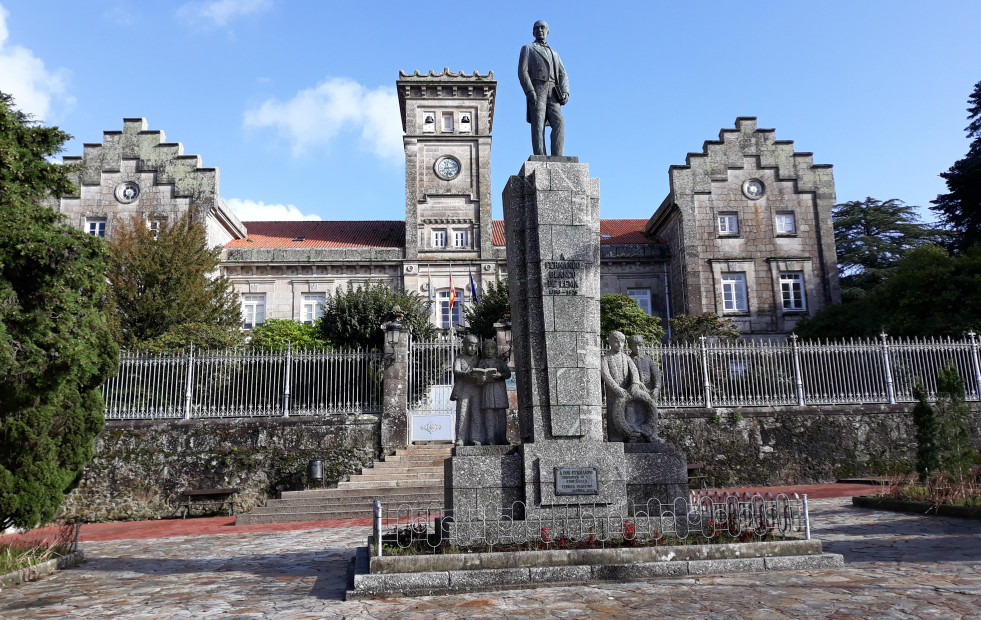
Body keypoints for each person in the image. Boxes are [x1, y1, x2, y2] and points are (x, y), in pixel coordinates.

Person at [518, 20, 570, 157]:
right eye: (537, 28)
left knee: (559, 123)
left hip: (553, 91)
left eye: (543, 28)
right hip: (537, 89)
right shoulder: (528, 48)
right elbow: (522, 72)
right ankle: (540, 155)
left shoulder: (555, 53)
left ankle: (557, 156)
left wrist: (565, 91)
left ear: (548, 31)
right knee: (538, 125)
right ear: (533, 32)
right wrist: (530, 91)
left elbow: (563, 74)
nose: (540, 30)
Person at [601, 331, 658, 443]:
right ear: (610, 342)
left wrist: (635, 383)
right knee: (613, 416)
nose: (619, 345)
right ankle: (615, 439)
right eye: (616, 342)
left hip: (627, 390)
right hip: (613, 393)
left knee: (626, 414)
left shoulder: (626, 357)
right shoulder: (605, 358)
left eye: (621, 342)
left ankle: (630, 436)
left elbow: (634, 371)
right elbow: (606, 375)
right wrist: (616, 388)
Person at [474, 339, 512, 445]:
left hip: (499, 389)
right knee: (488, 415)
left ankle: (502, 438)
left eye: (491, 348)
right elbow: (477, 377)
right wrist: (481, 377)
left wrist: (500, 375)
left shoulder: (500, 362)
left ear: (495, 350)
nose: (489, 351)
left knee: (501, 415)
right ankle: (490, 438)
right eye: (486, 349)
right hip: (487, 389)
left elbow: (508, 373)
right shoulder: (482, 362)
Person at [451, 335, 482, 445]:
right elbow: (456, 370)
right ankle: (460, 438)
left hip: (476, 389)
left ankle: (475, 437)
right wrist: (465, 374)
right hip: (463, 389)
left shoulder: (478, 359)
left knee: (476, 413)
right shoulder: (459, 358)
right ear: (464, 346)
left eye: (475, 346)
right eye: (470, 346)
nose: (473, 349)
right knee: (462, 414)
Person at [628, 335, 662, 399]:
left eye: (639, 345)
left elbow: (656, 374)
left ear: (643, 345)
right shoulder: (627, 359)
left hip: (649, 390)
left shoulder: (648, 360)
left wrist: (657, 388)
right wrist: (636, 383)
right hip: (633, 392)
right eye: (634, 345)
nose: (637, 348)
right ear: (630, 346)